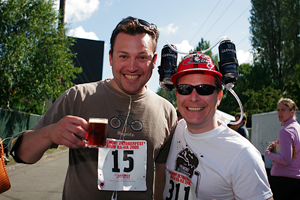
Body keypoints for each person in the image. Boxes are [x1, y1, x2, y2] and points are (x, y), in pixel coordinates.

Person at [9, 16, 177, 200]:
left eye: (142, 57)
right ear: (111, 57)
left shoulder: (167, 112)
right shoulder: (78, 97)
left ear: (154, 61)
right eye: (123, 56)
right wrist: (50, 133)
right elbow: (23, 155)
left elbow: (162, 179)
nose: (132, 66)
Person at [163, 53, 273, 200]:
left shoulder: (243, 155)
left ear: (219, 97)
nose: (194, 98)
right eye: (185, 89)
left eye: (204, 89)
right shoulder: (176, 130)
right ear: (177, 94)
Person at [265, 98, 300, 200]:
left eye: (283, 110)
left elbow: (285, 160)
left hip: (283, 180)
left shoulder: (285, 131)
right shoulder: (297, 128)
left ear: (292, 112)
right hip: (296, 179)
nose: (279, 113)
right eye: (278, 109)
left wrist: (268, 153)